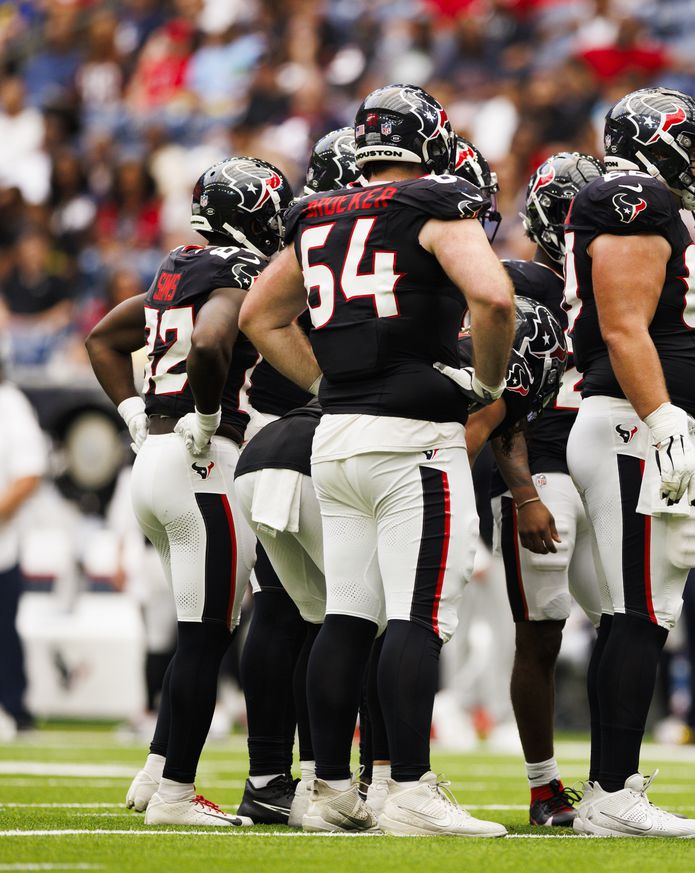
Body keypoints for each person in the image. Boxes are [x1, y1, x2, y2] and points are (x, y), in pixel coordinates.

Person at [238, 83, 515, 837]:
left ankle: (329, 791)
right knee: (417, 617)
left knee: (347, 616)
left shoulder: (318, 212)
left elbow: (259, 315)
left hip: (335, 435)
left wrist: (329, 381)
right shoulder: (431, 202)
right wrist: (486, 382)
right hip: (412, 441)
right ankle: (411, 790)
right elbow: (493, 299)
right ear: (427, 140)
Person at [85, 155, 292, 827]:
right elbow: (209, 343)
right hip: (202, 461)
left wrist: (132, 412)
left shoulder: (181, 266)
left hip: (157, 461)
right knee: (208, 634)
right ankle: (176, 793)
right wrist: (206, 415)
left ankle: (155, 769)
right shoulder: (238, 271)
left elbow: (104, 336)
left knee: (193, 631)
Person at [562, 86, 695, 838]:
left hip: (635, 425)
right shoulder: (632, 197)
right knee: (640, 613)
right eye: (688, 144)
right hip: (631, 425)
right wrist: (663, 420)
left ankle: (609, 784)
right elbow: (625, 326)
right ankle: (614, 792)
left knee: (636, 613)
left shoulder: (652, 200)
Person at [233, 126, 366, 828]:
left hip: (275, 438)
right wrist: (329, 388)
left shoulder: (304, 231)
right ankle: (321, 777)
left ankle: (274, 777)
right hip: (318, 438)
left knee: (288, 610)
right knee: (339, 609)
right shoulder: (334, 235)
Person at [483, 151, 605, 827]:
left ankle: (613, 782)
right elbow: (500, 396)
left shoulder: (622, 272)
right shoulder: (518, 281)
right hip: (545, 467)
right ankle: (542, 786)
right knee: (541, 631)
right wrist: (523, 489)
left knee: (624, 621)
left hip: (606, 467)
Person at [0, 368, 46, 733]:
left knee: (2, 631)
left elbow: (29, 474)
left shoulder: (10, 404)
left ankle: (11, 708)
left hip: (2, 546)